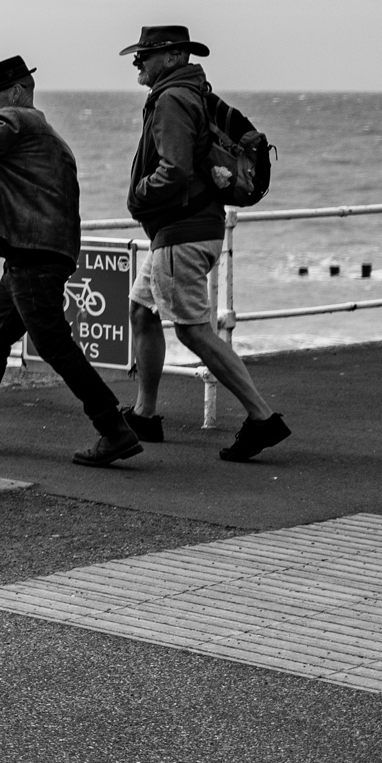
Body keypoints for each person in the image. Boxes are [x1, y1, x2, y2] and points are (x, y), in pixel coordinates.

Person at [0, 56, 144, 467]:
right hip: (33, 252)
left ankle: (114, 428)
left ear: (17, 92)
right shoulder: (41, 131)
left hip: (33, 255)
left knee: (53, 344)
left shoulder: (17, 122)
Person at [119, 24, 292, 462]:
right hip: (189, 229)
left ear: (174, 57)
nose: (138, 61)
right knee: (142, 310)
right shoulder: (190, 92)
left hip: (182, 232)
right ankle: (144, 414)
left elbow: (174, 170)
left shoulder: (173, 99)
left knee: (193, 330)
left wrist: (138, 195)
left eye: (146, 54)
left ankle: (262, 418)